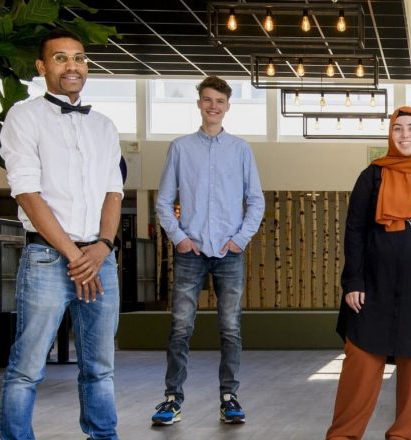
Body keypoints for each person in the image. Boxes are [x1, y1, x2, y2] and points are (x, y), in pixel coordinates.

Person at [0, 29, 124, 439]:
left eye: (79, 58)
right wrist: (74, 255)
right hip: (49, 259)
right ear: (42, 66)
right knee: (27, 367)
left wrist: (103, 247)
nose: (73, 66)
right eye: (60, 58)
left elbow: (113, 192)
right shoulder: (23, 116)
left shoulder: (104, 125)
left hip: (100, 261)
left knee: (100, 367)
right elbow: (28, 193)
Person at [326, 106, 411, 440]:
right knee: (361, 359)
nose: (405, 135)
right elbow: (354, 231)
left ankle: (403, 435)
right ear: (390, 133)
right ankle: (343, 435)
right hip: (373, 285)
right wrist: (353, 281)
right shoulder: (371, 176)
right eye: (398, 129)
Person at [151, 76, 265, 425]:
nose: (213, 106)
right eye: (207, 100)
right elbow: (163, 201)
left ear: (228, 106)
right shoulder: (181, 148)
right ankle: (172, 398)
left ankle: (229, 396)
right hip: (190, 251)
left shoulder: (241, 149)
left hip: (229, 252)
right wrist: (180, 238)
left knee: (230, 327)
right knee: (180, 327)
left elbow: (256, 201)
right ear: (199, 103)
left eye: (219, 101)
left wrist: (239, 240)